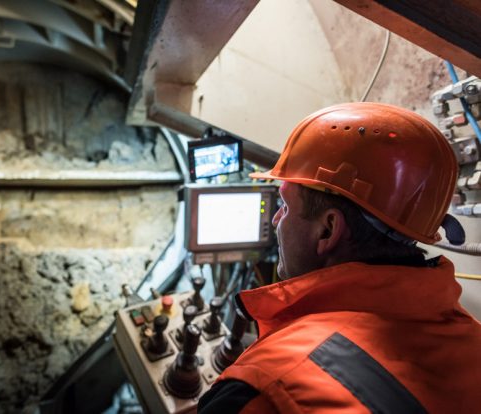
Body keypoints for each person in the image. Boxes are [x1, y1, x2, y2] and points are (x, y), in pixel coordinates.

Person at [198, 102, 481, 413]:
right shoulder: (471, 336)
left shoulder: (263, 388)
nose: (277, 219)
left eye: (286, 206)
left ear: (328, 230)